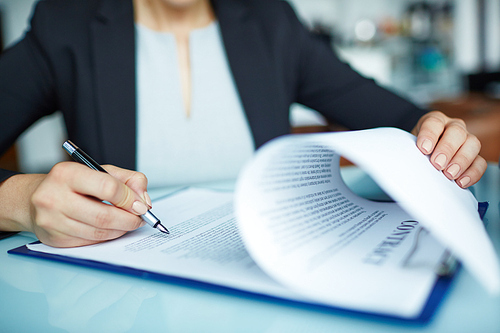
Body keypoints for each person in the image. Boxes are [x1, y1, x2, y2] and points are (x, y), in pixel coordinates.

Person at [0, 0, 486, 248]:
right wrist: (20, 201)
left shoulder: (269, 19)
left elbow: (400, 120)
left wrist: (437, 132)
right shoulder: (65, 22)